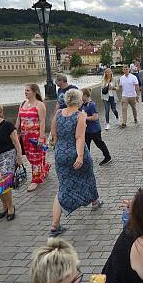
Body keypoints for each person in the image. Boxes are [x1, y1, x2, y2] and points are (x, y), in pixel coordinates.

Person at [49, 90, 102, 237]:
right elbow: (79, 137)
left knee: (63, 186)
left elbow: (54, 135)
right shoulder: (81, 115)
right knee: (88, 176)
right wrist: (79, 156)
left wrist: (60, 148)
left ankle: (54, 225)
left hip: (60, 154)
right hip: (75, 152)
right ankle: (95, 202)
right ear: (79, 101)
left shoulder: (58, 113)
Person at [17, 83, 50, 192]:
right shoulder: (23, 103)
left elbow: (42, 121)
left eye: (28, 91)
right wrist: (16, 131)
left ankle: (36, 180)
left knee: (36, 158)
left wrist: (41, 137)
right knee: (30, 157)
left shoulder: (39, 105)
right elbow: (19, 118)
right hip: (24, 136)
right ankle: (44, 168)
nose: (25, 92)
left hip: (36, 136)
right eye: (25, 90)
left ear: (35, 92)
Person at [81, 88, 111, 166]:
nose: (80, 97)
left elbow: (95, 117)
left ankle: (107, 157)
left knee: (99, 144)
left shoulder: (91, 105)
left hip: (94, 130)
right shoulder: (83, 104)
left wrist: (85, 117)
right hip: (87, 130)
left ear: (85, 95)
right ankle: (86, 160)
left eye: (81, 95)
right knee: (86, 146)